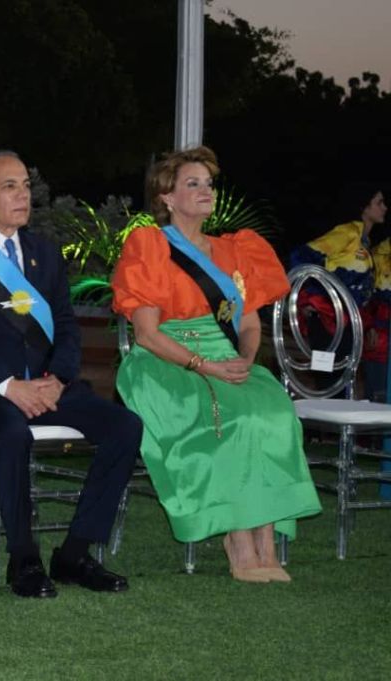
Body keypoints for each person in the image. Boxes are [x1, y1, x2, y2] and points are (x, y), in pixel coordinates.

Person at [0, 151, 139, 598]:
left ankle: (74, 554)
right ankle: (24, 559)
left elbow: (66, 325)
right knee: (12, 432)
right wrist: (7, 385)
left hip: (47, 385)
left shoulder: (44, 253)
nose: (23, 195)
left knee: (124, 426)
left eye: (25, 185)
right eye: (9, 187)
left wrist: (57, 378)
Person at [111, 146, 322, 583]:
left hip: (226, 358)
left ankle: (265, 543)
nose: (205, 190)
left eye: (208, 184)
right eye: (193, 184)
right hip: (166, 362)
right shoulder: (151, 246)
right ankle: (238, 540)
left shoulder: (236, 249)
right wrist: (206, 365)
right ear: (167, 198)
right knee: (237, 418)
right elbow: (146, 334)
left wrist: (244, 358)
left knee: (274, 414)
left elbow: (249, 323)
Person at [288, 184, 388, 395]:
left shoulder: (365, 242)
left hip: (347, 325)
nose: (384, 208)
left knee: (342, 384)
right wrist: (310, 298)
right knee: (326, 381)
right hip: (326, 323)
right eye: (379, 202)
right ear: (365, 207)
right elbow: (302, 257)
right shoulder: (347, 232)